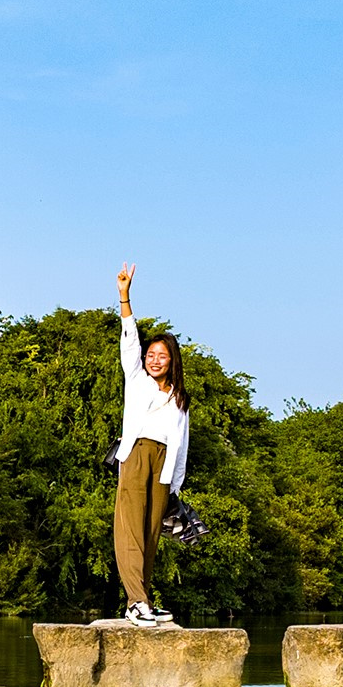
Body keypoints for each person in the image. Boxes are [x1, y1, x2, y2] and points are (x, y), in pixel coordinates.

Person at [107, 266, 192, 628]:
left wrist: (176, 482)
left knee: (151, 534)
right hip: (137, 453)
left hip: (165, 463)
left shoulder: (179, 397)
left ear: (172, 360)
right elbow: (129, 338)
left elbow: (182, 442)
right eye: (150, 354)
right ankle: (135, 601)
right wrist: (125, 296)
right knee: (128, 530)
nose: (154, 360)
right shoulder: (137, 378)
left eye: (161, 356)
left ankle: (144, 600)